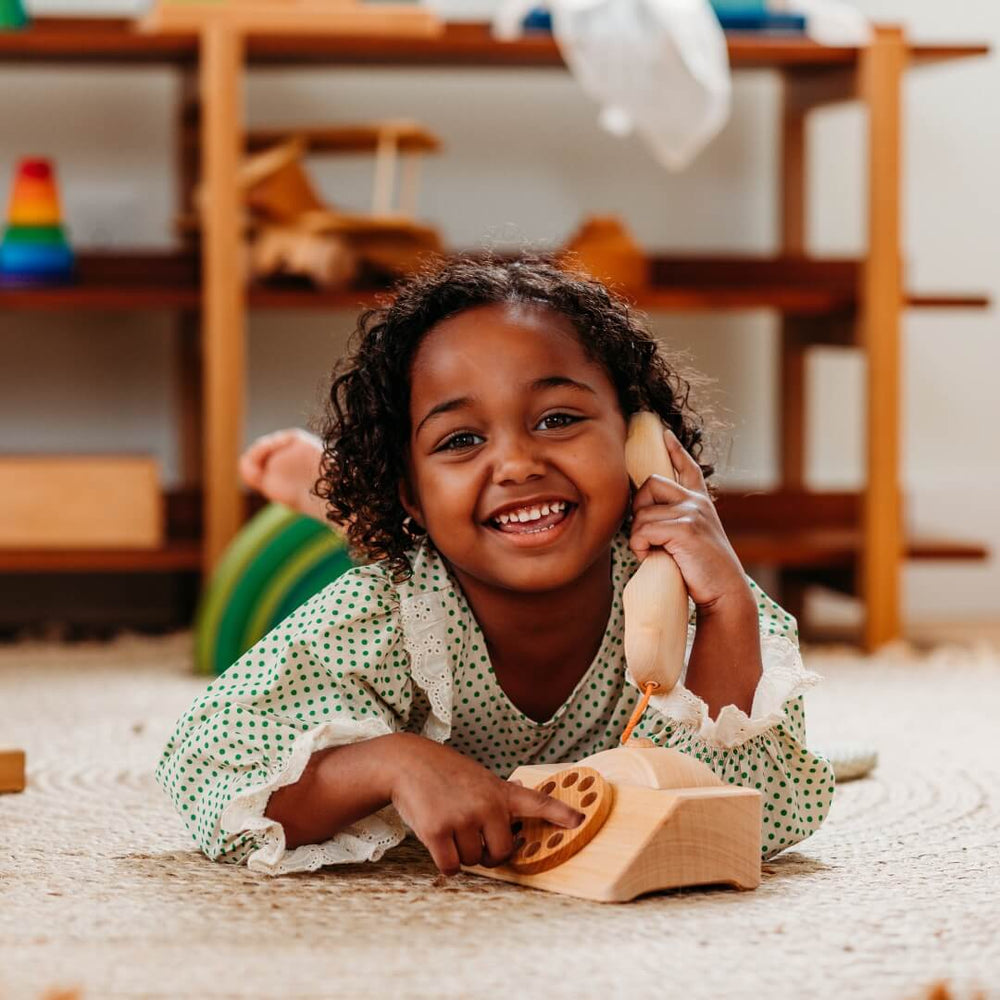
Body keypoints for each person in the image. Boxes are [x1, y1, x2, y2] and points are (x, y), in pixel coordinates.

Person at [157, 257, 835, 876]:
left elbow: (751, 820)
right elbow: (206, 769)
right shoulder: (389, 611)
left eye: (557, 419)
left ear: (642, 441)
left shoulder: (695, 594)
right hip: (414, 574)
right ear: (411, 494)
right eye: (461, 438)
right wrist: (393, 761)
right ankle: (339, 500)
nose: (517, 463)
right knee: (390, 571)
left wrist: (727, 611)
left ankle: (350, 489)